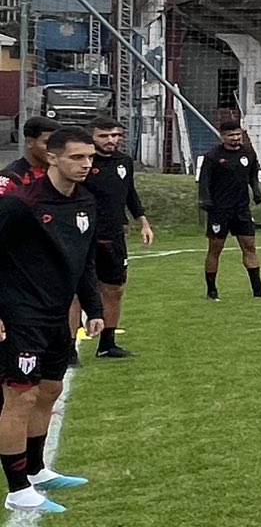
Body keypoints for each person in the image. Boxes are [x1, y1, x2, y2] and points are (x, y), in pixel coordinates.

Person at [0, 127, 104, 515]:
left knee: (49, 391)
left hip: (58, 315)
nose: (86, 164)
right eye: (77, 157)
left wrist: (94, 308)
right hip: (21, 314)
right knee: (20, 396)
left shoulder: (86, 203)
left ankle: (37, 470)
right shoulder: (22, 203)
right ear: (53, 158)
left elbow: (85, 260)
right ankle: (16, 490)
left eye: (90, 158)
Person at [83, 115, 154, 359]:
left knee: (114, 289)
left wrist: (142, 220)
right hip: (82, 235)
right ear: (91, 136)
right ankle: (68, 349)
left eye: (116, 135)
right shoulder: (82, 162)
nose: (111, 140)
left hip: (113, 235)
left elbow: (129, 193)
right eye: (104, 136)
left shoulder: (124, 161)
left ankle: (107, 344)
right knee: (73, 292)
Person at [199, 114, 261, 301]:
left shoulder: (248, 153)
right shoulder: (213, 157)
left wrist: (256, 191)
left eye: (237, 134)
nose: (235, 138)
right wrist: (206, 201)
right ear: (222, 137)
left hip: (241, 209)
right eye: (230, 135)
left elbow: (252, 175)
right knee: (215, 249)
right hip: (219, 210)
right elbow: (204, 181)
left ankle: (258, 288)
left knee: (249, 247)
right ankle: (212, 290)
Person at [1, 115, 57, 194]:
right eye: (46, 143)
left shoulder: (62, 172)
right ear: (29, 142)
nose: (52, 148)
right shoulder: (12, 177)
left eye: (56, 143)